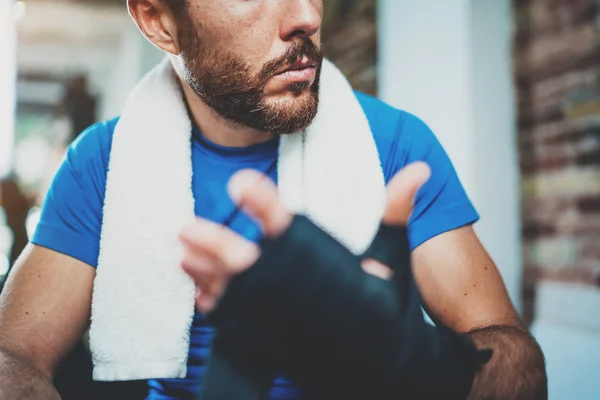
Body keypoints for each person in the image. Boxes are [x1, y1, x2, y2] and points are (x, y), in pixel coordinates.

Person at [0, 1, 547, 400]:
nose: (305, 16)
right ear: (160, 21)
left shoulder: (397, 148)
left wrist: (413, 362)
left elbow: (522, 366)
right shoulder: (102, 163)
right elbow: (13, 356)